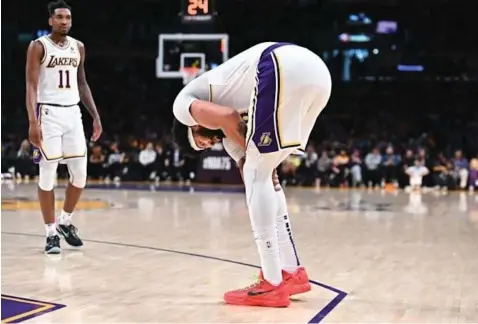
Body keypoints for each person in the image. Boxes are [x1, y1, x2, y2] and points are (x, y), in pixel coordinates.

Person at [172, 42, 331, 307]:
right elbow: (247, 161)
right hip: (315, 74)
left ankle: (271, 283)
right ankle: (291, 271)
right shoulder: (228, 137)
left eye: (200, 142)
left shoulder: (182, 108)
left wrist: (256, 167)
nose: (207, 145)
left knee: (258, 174)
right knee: (263, 175)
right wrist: (259, 167)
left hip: (282, 66)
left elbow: (228, 115)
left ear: (191, 127)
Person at [25, 0, 102, 254]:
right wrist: (33, 122)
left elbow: (83, 84)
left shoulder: (78, 47)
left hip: (73, 115)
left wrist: (95, 116)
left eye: (67, 17)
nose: (64, 21)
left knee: (80, 175)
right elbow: (31, 86)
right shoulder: (38, 46)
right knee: (47, 174)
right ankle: (50, 233)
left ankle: (65, 222)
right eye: (59, 17)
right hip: (48, 113)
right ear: (50, 20)